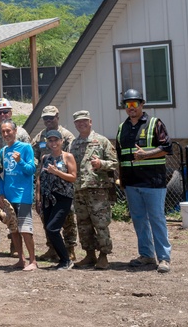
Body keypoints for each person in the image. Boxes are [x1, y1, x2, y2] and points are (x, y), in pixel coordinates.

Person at [117, 89, 172, 273]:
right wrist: (122, 179)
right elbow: (121, 157)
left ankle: (164, 258)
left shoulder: (154, 123)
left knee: (156, 219)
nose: (131, 108)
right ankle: (147, 255)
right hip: (132, 183)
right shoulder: (122, 128)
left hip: (153, 182)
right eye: (127, 104)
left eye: (134, 104)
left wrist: (145, 155)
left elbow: (167, 147)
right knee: (139, 220)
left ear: (142, 104)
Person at [70, 110, 118, 269]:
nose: (81, 124)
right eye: (78, 122)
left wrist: (101, 164)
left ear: (90, 122)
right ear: (75, 124)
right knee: (83, 224)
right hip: (79, 190)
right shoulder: (73, 144)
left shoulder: (102, 141)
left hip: (97, 190)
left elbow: (114, 163)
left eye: (84, 121)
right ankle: (90, 255)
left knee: (101, 223)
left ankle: (104, 256)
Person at [31, 105, 77, 263]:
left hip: (63, 187)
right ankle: (53, 248)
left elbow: (72, 159)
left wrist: (58, 172)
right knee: (48, 219)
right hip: (46, 185)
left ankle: (69, 250)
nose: (48, 121)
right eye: (45, 118)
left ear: (57, 117)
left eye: (51, 117)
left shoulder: (67, 135)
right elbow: (34, 156)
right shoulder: (39, 137)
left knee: (68, 219)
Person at [0, 98, 30, 248]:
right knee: (3, 211)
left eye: (5, 111)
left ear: (11, 112)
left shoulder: (22, 133)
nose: (3, 114)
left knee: (18, 213)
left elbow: (29, 157)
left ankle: (15, 246)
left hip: (18, 180)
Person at [0, 120, 37, 271]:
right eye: (3, 131)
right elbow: (1, 174)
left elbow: (31, 170)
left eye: (9, 131)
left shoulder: (26, 148)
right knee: (13, 229)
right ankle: (21, 259)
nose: (6, 134)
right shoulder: (2, 151)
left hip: (23, 196)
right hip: (8, 196)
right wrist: (1, 192)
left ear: (15, 131)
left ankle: (32, 260)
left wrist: (20, 161)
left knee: (25, 229)